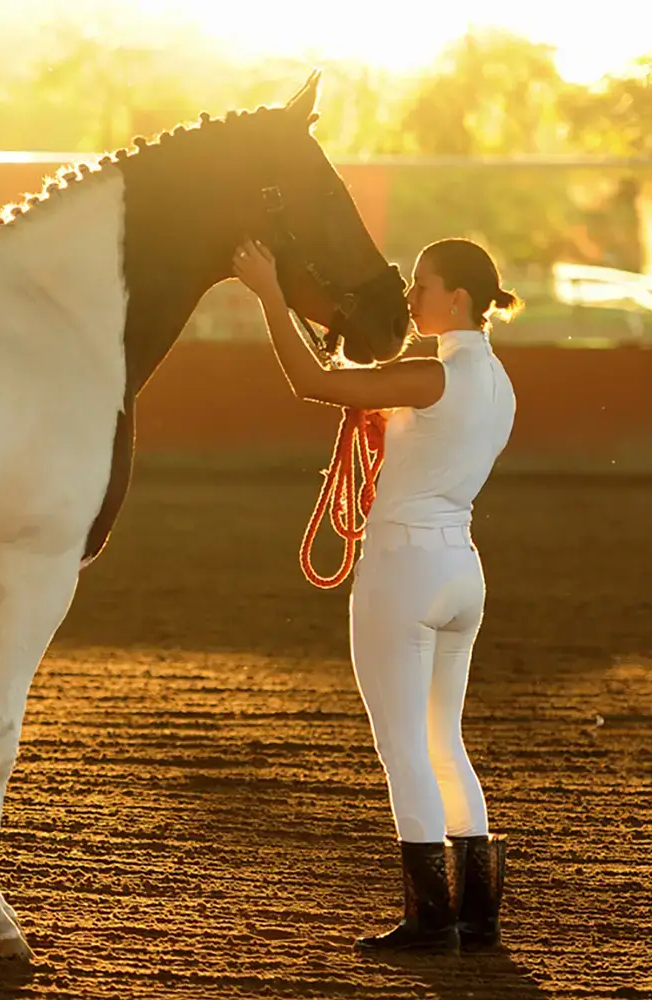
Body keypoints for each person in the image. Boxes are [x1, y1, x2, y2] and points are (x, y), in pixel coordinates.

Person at [232, 236, 518, 954]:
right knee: (444, 741)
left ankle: (429, 919)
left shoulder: (431, 374)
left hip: (404, 571)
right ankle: (477, 914)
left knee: (403, 750)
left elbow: (312, 382)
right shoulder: (497, 382)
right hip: (462, 570)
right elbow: (371, 386)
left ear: (457, 298)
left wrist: (269, 292)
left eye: (423, 285)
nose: (411, 297)